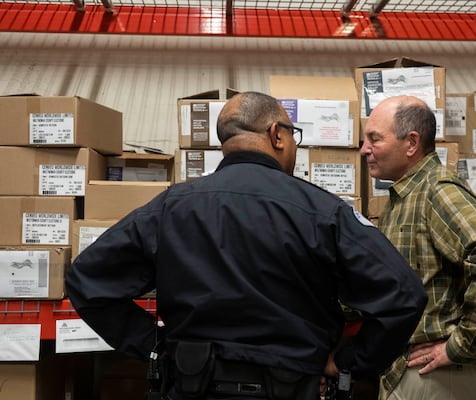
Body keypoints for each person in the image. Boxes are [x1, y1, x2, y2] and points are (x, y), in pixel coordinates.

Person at [65, 91, 427, 400]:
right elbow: (404, 295)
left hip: (192, 381)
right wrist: (351, 362)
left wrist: (156, 346)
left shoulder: (171, 206)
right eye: (293, 135)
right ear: (277, 135)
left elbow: (87, 280)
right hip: (292, 384)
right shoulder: (323, 211)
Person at [359, 95, 476, 400]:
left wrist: (462, 344)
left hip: (434, 378)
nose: (364, 149)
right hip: (408, 372)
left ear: (411, 143)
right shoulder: (402, 198)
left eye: (374, 139)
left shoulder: (437, 191)